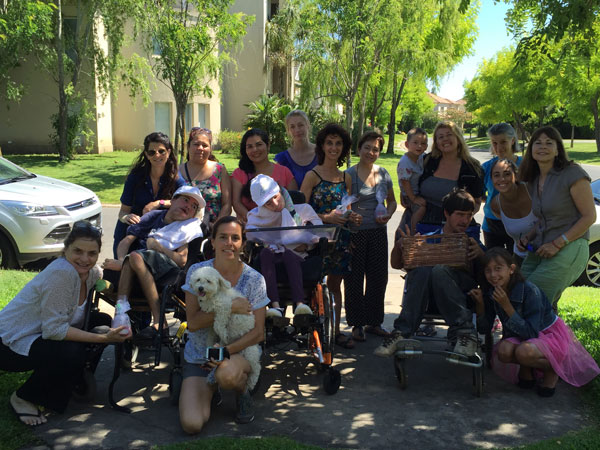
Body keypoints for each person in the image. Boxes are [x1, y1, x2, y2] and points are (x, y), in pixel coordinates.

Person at [0, 222, 131, 426]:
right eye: (78, 251)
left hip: (40, 332)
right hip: (10, 343)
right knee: (72, 352)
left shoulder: (90, 273)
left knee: (103, 321)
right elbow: (54, 331)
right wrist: (104, 338)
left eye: (92, 253)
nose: (85, 259)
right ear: (66, 249)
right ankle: (24, 397)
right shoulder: (62, 273)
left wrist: (113, 286)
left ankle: (73, 379)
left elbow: (102, 276)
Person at [469, 247, 600, 397]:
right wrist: (480, 304)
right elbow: (484, 329)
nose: (493, 275)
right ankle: (527, 368)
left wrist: (507, 305)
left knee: (524, 352)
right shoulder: (493, 292)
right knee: (503, 352)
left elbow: (531, 332)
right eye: (488, 270)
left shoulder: (530, 291)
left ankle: (551, 369)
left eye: (498, 269)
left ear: (511, 269)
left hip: (545, 334)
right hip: (521, 335)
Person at [179, 216, 268, 432]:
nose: (229, 243)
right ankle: (212, 391)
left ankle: (242, 392)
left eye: (235, 238)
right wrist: (229, 308)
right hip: (200, 356)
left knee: (226, 374)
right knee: (192, 425)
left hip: (236, 354)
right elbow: (192, 323)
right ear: (212, 241)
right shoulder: (197, 272)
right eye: (223, 237)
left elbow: (258, 333)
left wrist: (223, 353)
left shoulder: (255, 279)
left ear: (242, 244)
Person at [374, 188, 485, 359]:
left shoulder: (472, 242)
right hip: (427, 298)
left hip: (459, 298)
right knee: (423, 270)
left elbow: (489, 274)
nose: (465, 220)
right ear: (446, 214)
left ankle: (465, 333)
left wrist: (481, 256)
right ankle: (401, 333)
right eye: (460, 214)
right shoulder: (428, 239)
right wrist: (400, 246)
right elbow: (396, 265)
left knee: (439, 270)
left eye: (469, 215)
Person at [103, 186, 205, 338]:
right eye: (185, 200)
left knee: (135, 257)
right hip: (137, 264)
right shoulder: (154, 216)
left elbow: (182, 260)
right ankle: (123, 313)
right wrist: (121, 261)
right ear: (173, 200)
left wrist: (160, 248)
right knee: (133, 258)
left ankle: (157, 320)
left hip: (167, 269)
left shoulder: (188, 227)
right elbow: (126, 241)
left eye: (194, 207)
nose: (188, 206)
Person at [517, 126, 596, 308]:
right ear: (531, 149)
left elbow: (589, 216)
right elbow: (545, 218)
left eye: (549, 143)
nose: (542, 147)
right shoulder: (533, 179)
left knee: (533, 298)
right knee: (518, 294)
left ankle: (542, 337)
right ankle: (550, 336)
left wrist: (558, 243)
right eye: (537, 143)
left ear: (558, 149)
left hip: (570, 246)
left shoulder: (573, 173)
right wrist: (528, 237)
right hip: (540, 248)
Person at [301, 123, 362, 349]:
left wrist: (351, 217)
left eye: (338, 143)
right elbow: (299, 213)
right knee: (315, 286)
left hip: (341, 239)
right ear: (322, 146)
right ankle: (313, 333)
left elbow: (344, 209)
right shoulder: (312, 175)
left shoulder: (345, 177)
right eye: (329, 143)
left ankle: (335, 332)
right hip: (317, 240)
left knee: (335, 286)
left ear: (344, 148)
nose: (333, 147)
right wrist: (326, 218)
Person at [345, 131, 397, 342]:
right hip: (356, 233)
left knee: (378, 278)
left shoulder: (383, 174)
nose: (371, 152)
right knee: (354, 279)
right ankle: (357, 324)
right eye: (367, 147)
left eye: (375, 149)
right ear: (359, 149)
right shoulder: (349, 174)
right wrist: (351, 215)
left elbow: (392, 201)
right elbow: (344, 204)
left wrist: (389, 213)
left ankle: (374, 322)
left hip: (378, 232)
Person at [246, 174, 322, 317]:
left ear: (280, 191)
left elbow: (320, 235)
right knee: (265, 253)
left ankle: (300, 304)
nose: (275, 204)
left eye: (276, 197)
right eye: (268, 203)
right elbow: (250, 235)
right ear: (261, 205)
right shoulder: (256, 217)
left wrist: (307, 246)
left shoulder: (304, 209)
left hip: (298, 257)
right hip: (271, 259)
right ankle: (275, 307)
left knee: (288, 254)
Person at [113, 132, 185, 257]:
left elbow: (186, 201)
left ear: (168, 152)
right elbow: (122, 212)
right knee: (121, 269)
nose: (157, 155)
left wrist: (159, 203)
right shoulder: (135, 177)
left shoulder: (176, 179)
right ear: (146, 154)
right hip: (128, 234)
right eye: (152, 152)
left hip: (158, 237)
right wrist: (127, 218)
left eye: (161, 151)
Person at [418, 121, 484, 229]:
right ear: (436, 142)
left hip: (455, 230)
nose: (445, 139)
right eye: (440, 137)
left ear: (458, 138)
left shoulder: (473, 167)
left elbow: (476, 202)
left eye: (449, 135)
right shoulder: (426, 161)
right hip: (422, 223)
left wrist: (461, 220)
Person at [232, 128, 297, 223]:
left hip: (282, 227)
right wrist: (253, 221)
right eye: (250, 146)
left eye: (259, 145)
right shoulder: (239, 174)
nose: (255, 149)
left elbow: (292, 203)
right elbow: (236, 202)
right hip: (251, 227)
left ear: (268, 146)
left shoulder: (285, 172)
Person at [482, 123, 523, 251]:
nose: (498, 147)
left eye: (503, 142)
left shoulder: (525, 165)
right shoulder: (486, 168)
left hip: (520, 222)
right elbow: (480, 195)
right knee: (493, 261)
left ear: (513, 140)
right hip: (492, 223)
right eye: (494, 143)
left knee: (517, 263)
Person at [180, 127, 232, 227]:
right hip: (182, 228)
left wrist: (217, 227)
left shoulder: (220, 170)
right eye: (196, 144)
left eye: (205, 145)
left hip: (212, 229)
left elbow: (227, 205)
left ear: (210, 149)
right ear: (188, 146)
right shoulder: (178, 172)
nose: (200, 148)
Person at [488, 159, 537, 265]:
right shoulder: (495, 205)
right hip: (521, 258)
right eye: (496, 175)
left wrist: (529, 236)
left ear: (516, 175)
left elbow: (550, 219)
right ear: (491, 179)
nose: (502, 179)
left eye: (507, 174)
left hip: (547, 253)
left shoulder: (532, 190)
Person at [275, 110, 318, 187]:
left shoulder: (322, 153)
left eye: (300, 125)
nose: (297, 130)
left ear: (307, 125)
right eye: (292, 127)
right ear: (288, 130)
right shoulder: (283, 160)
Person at [397, 127, 428, 233]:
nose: (419, 146)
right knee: (421, 208)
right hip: (409, 195)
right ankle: (413, 230)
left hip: (416, 192)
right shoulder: (405, 162)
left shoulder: (422, 157)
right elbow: (405, 182)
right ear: (407, 145)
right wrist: (413, 198)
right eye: (415, 142)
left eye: (423, 143)